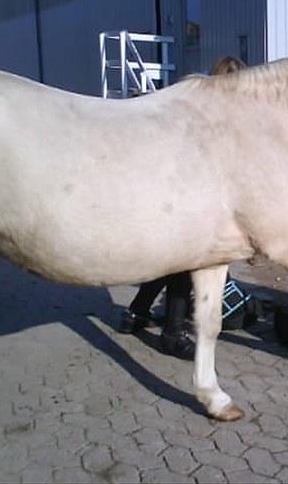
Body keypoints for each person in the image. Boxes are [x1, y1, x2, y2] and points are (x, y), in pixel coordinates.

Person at [118, 56, 248, 357]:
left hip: (164, 192)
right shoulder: (214, 114)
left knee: (169, 261)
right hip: (184, 197)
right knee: (185, 262)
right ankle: (172, 334)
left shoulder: (192, 102)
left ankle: (135, 314)